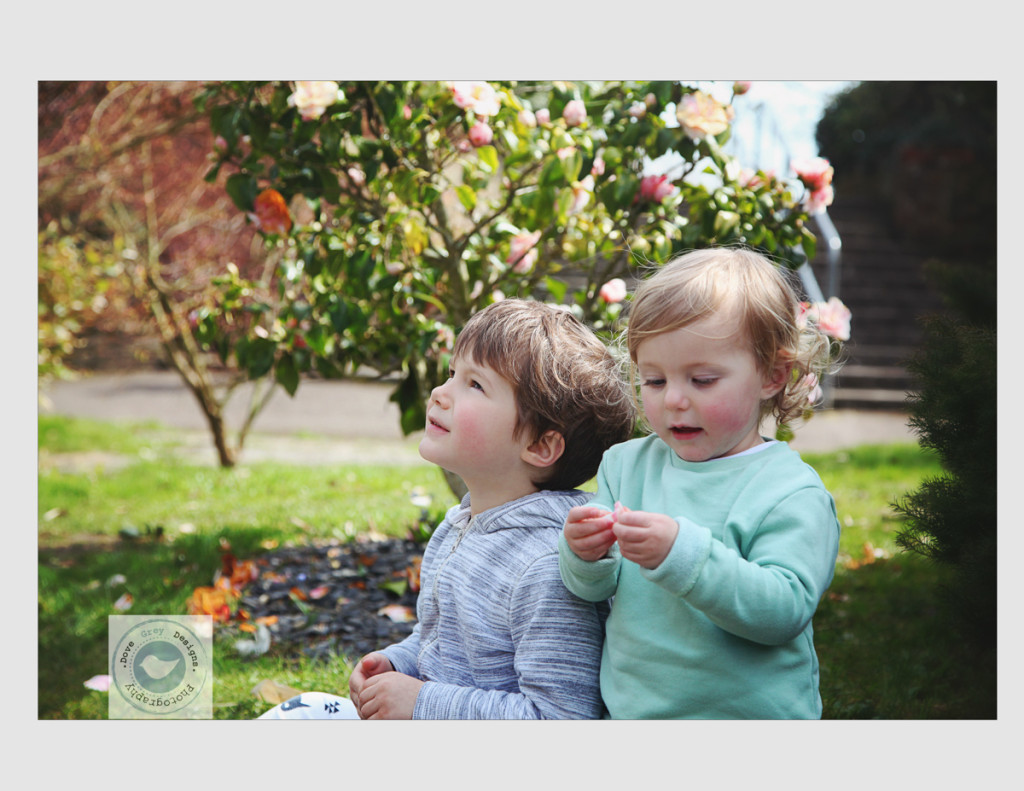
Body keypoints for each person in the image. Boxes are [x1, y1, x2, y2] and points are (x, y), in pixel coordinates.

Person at [259, 298, 635, 720]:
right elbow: (440, 639)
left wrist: (420, 703)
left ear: (540, 446)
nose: (440, 393)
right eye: (453, 374)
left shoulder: (545, 566)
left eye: (475, 385)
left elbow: (559, 718)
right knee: (304, 713)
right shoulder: (464, 522)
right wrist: (400, 662)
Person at [559, 247, 842, 719]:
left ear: (773, 374)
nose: (673, 400)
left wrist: (684, 555)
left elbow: (784, 611)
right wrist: (584, 554)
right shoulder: (625, 466)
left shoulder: (789, 491)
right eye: (653, 380)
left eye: (703, 380)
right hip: (636, 715)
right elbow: (593, 591)